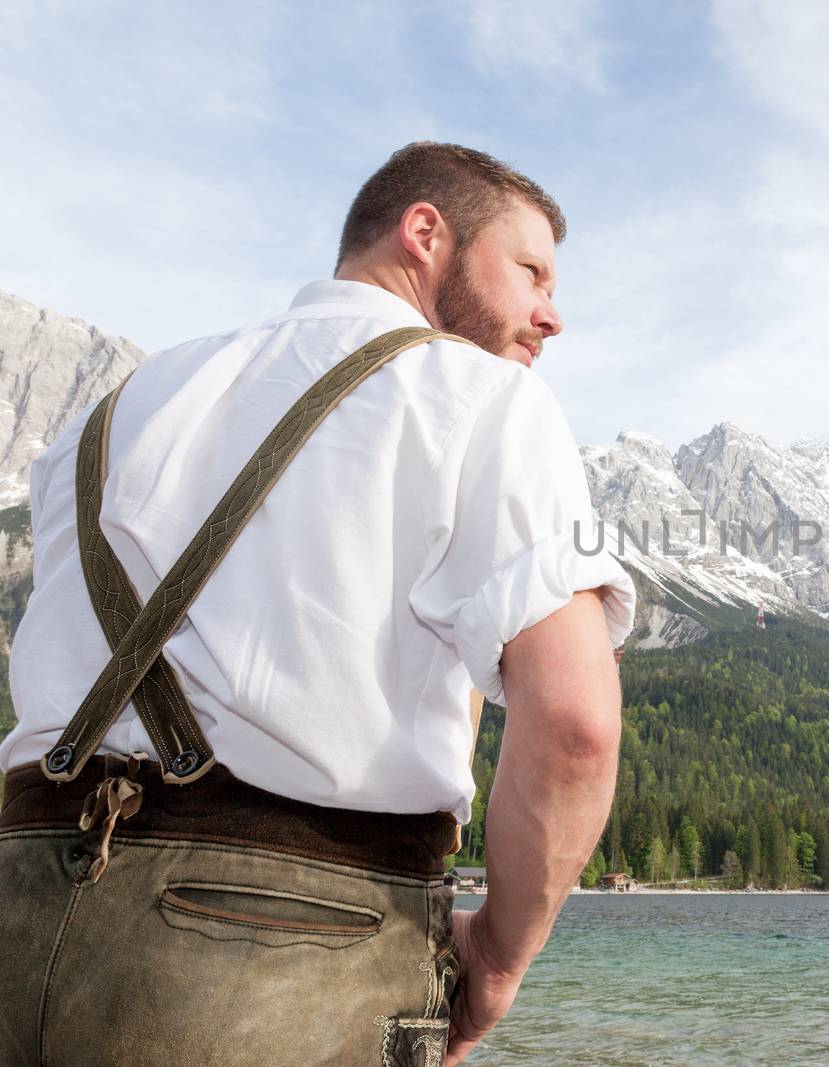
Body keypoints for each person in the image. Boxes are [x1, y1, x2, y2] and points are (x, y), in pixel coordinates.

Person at [0, 141, 635, 1066]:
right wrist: (495, 961)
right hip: (282, 948)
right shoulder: (483, 397)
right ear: (427, 233)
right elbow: (578, 726)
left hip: (19, 912)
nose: (553, 315)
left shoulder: (114, 406)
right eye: (532, 269)